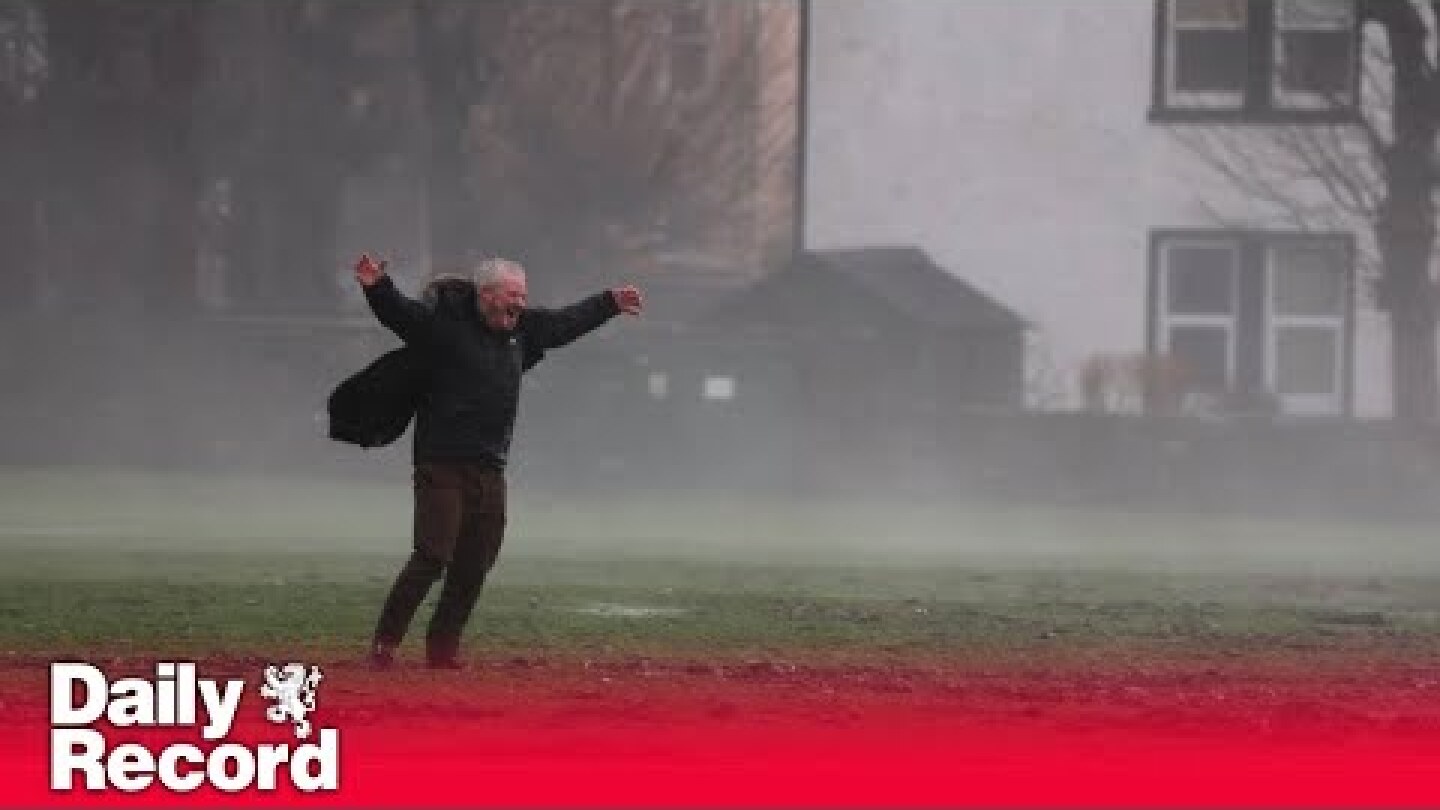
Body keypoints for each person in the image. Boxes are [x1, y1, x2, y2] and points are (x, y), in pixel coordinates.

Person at [354, 253, 644, 669]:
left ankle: (442, 649)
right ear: (486, 295)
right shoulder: (445, 327)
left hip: (491, 468)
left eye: (523, 296)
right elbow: (403, 316)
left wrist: (609, 303)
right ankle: (385, 645)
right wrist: (376, 286)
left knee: (474, 564)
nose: (520, 304)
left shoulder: (523, 330)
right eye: (512, 295)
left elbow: (564, 324)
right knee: (432, 555)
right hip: (441, 464)